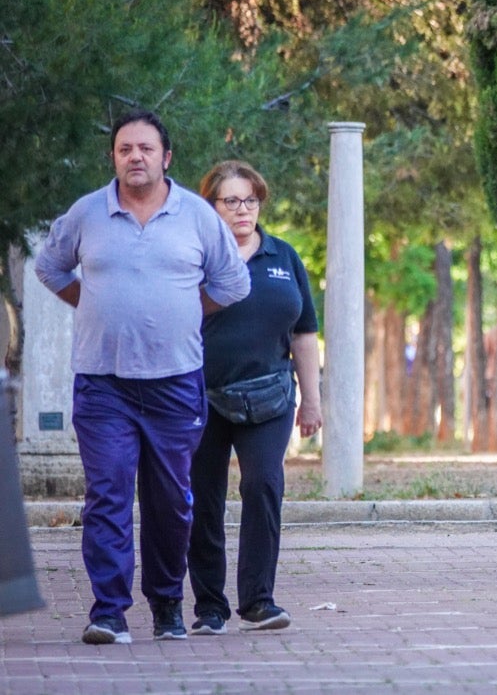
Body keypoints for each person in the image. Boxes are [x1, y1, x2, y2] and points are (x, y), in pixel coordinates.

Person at [34, 110, 251, 644]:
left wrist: (183, 312)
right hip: (102, 382)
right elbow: (49, 267)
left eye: (146, 149)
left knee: (170, 500)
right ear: (114, 157)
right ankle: (108, 610)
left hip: (175, 381)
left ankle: (167, 604)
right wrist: (91, 303)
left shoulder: (198, 216)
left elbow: (233, 282)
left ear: (166, 157)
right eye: (125, 148)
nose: (135, 156)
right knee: (107, 496)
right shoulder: (87, 213)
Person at [187, 161, 322, 636]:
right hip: (199, 398)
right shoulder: (194, 258)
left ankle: (259, 601)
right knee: (203, 499)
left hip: (269, 397)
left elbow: (304, 333)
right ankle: (209, 607)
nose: (242, 210)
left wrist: (312, 400)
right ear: (211, 206)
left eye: (250, 200)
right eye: (231, 201)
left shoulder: (284, 258)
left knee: (263, 486)